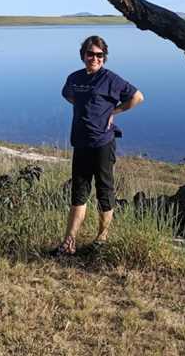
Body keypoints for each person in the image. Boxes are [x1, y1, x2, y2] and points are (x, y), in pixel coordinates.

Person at [56, 35, 144, 255]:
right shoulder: (74, 78)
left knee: (104, 192)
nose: (94, 58)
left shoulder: (110, 79)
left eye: (99, 55)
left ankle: (101, 239)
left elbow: (137, 97)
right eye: (90, 54)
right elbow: (68, 95)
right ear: (83, 55)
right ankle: (69, 242)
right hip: (81, 143)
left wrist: (114, 112)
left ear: (104, 57)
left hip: (103, 143)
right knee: (79, 193)